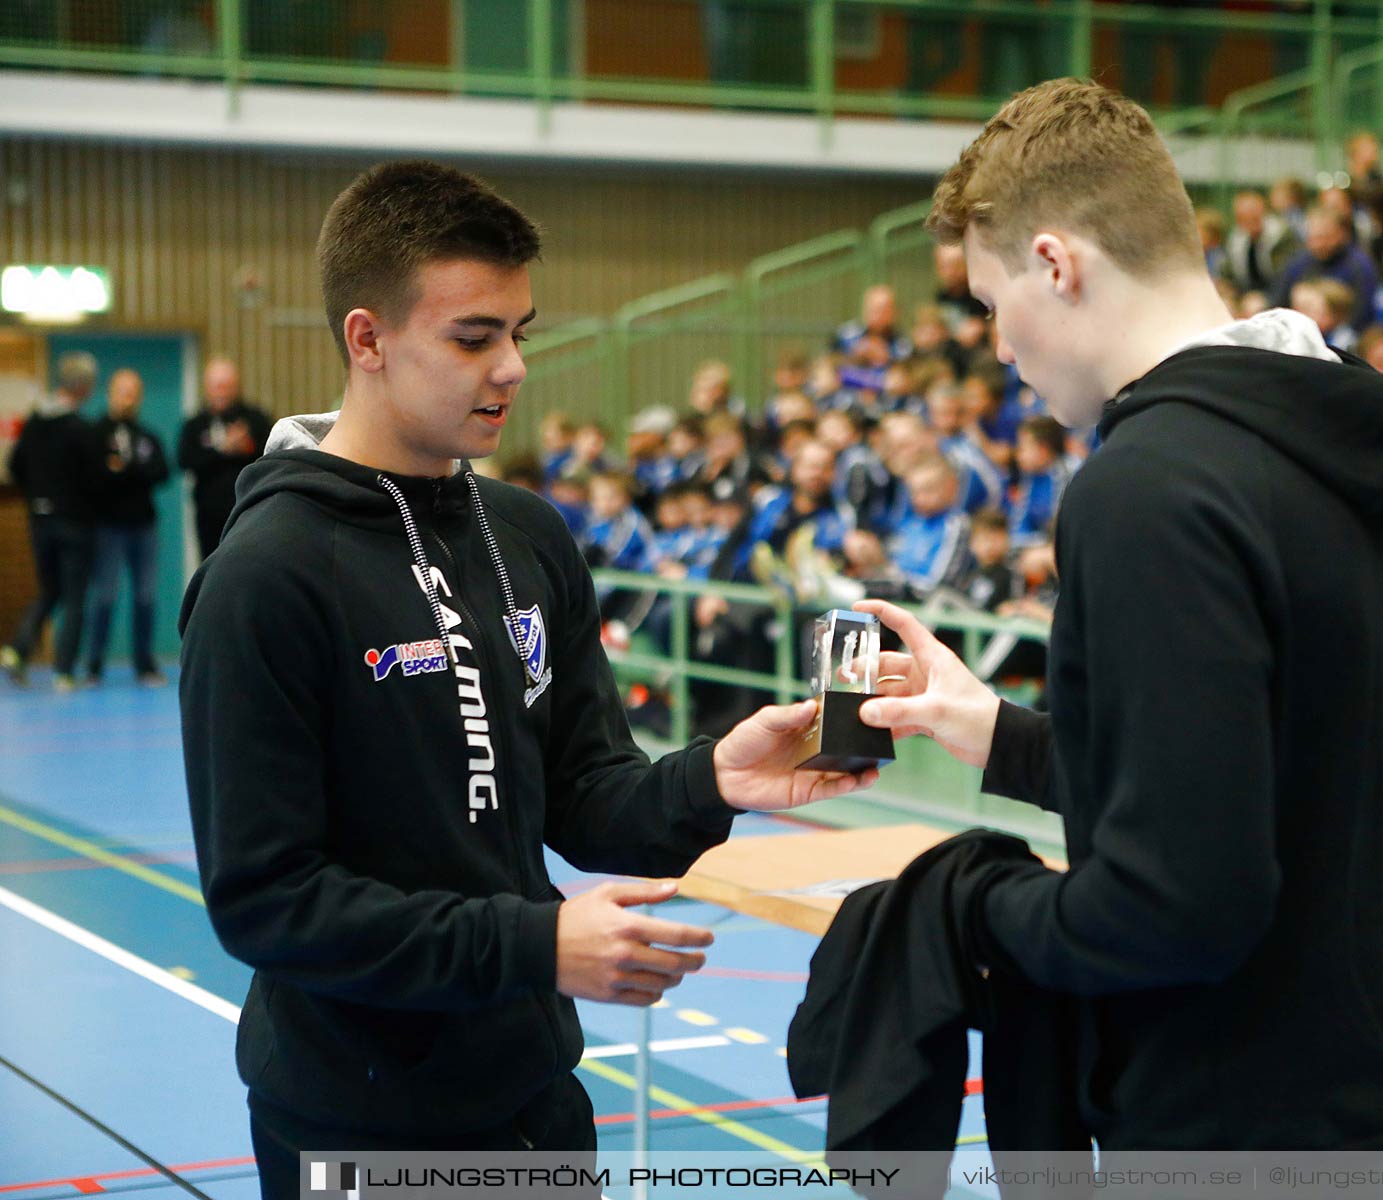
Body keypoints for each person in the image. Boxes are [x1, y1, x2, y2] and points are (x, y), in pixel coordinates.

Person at [177, 161, 877, 1194]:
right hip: (358, 1117)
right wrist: (535, 943)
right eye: (473, 338)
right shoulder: (265, 578)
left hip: (537, 1098)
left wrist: (715, 778)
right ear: (365, 339)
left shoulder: (527, 534)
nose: (511, 369)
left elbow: (588, 792)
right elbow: (270, 904)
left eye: (520, 333)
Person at [853, 79, 1383, 1155]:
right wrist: (998, 735)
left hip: (1246, 1125)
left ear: (1056, 264)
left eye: (988, 303)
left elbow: (1179, 903)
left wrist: (962, 913)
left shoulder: (1146, 486)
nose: (997, 348)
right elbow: (1270, 787)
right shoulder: (1341, 426)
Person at [2, 352, 100, 691]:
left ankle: (18, 649)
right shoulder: (80, 429)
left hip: (39, 521)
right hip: (74, 523)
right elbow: (96, 478)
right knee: (74, 597)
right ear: (85, 386)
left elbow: (14, 464)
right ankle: (64, 671)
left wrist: (36, 493)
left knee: (50, 589)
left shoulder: (35, 423)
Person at [85, 368, 171, 685]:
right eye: (123, 390)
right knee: (105, 596)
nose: (128, 397)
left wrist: (125, 468)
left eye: (134, 391)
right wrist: (129, 473)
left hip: (143, 527)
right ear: (110, 392)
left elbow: (161, 471)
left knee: (145, 596)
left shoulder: (146, 436)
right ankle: (94, 666)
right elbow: (95, 478)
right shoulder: (95, 435)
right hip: (107, 527)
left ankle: (144, 664)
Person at [177, 356, 271, 559]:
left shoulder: (255, 420)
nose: (222, 393)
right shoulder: (195, 425)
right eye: (217, 387)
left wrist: (246, 447)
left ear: (236, 387)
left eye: (226, 386)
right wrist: (221, 450)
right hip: (209, 514)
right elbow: (185, 461)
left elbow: (273, 455)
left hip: (249, 510)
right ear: (207, 388)